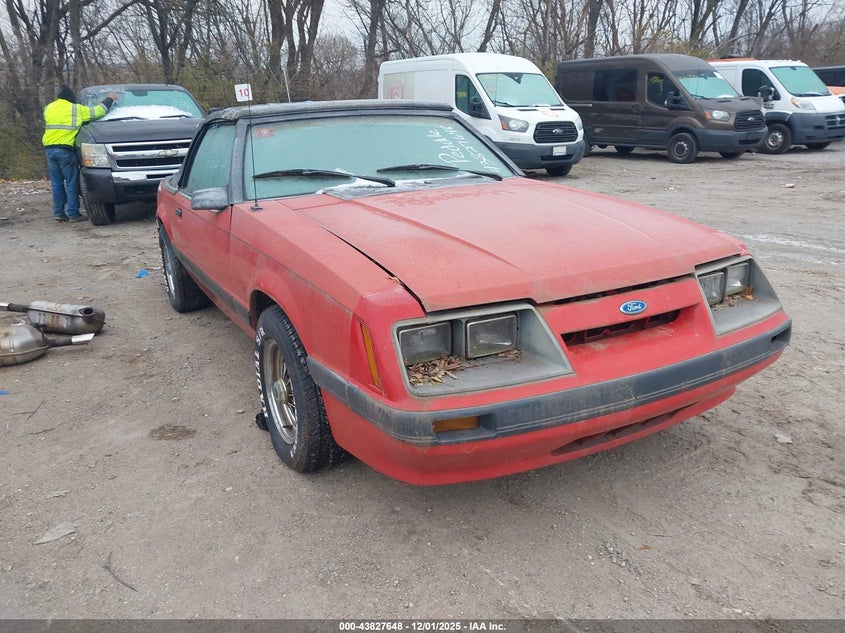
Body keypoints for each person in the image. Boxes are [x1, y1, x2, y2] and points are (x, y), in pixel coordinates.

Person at [42, 85, 117, 223]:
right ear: (71, 98)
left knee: (57, 182)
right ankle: (73, 213)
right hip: (65, 149)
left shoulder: (49, 108)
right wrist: (110, 99)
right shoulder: (75, 109)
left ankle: (58, 213)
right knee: (71, 182)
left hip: (49, 149)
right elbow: (98, 112)